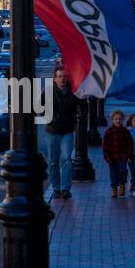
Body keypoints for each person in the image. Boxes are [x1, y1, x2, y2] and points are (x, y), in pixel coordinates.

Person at [44, 67, 81, 201]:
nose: (62, 79)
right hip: (51, 130)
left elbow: (83, 106)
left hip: (67, 130)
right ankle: (56, 187)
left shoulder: (73, 92)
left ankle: (65, 188)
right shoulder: (48, 92)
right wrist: (49, 116)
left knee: (66, 159)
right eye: (59, 76)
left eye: (64, 76)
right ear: (55, 78)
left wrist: (77, 118)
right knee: (53, 161)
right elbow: (38, 107)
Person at [103, 110, 135, 199]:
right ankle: (114, 189)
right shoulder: (109, 131)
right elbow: (105, 145)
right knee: (113, 174)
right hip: (112, 157)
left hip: (122, 156)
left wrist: (129, 155)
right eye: (116, 119)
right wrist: (107, 157)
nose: (118, 121)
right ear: (112, 120)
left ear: (122, 120)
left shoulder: (125, 131)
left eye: (120, 119)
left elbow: (130, 143)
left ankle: (122, 185)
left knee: (122, 171)